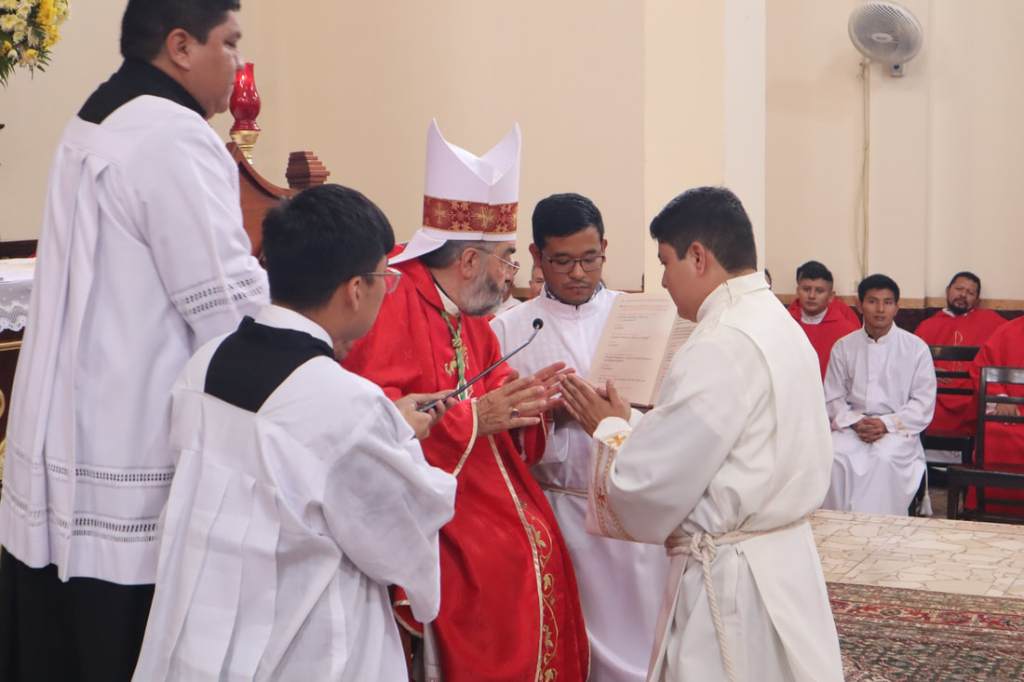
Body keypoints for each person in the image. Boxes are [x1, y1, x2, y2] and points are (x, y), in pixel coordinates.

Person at [0, 2, 268, 680]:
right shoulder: (173, 136)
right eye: (230, 43)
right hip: (131, 449)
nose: (238, 62)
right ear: (181, 46)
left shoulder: (96, 116)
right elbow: (229, 308)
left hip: (69, 445)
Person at [132, 184, 457, 681]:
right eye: (384, 279)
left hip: (198, 632)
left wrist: (386, 428)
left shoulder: (204, 364)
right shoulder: (349, 404)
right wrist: (400, 438)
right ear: (355, 289)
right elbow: (398, 537)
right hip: (304, 645)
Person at [558, 187, 842, 682]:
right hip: (782, 562)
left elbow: (650, 484)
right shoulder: (775, 320)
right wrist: (635, 424)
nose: (663, 280)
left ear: (697, 257)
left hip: (735, 581)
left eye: (665, 263)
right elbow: (720, 449)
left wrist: (609, 429)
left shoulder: (719, 342)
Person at [342, 121, 589, 682]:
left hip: (481, 488)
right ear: (469, 262)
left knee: (538, 544)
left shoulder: (470, 313)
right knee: (501, 565)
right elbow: (370, 416)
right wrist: (475, 417)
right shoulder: (391, 297)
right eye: (506, 259)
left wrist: (535, 405)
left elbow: (496, 396)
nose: (510, 278)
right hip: (430, 502)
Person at [491, 193, 668, 682]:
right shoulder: (507, 330)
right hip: (558, 508)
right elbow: (494, 428)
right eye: (561, 261)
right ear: (536, 255)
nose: (577, 273)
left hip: (628, 503)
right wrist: (545, 411)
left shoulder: (639, 317)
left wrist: (623, 414)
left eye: (590, 259)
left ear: (605, 248)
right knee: (571, 645)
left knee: (643, 641)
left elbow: (672, 408)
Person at [822, 274, 936, 515]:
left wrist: (885, 424)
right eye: (872, 301)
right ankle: (837, 526)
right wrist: (856, 422)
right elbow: (832, 397)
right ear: (859, 304)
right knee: (834, 455)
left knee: (885, 459)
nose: (880, 309)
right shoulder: (844, 346)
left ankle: (881, 529)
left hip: (897, 428)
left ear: (897, 307)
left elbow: (922, 403)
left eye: (888, 302)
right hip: (853, 426)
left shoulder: (916, 348)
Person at [915, 272, 1006, 446]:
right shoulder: (927, 325)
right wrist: (929, 370)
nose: (963, 295)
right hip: (936, 393)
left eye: (970, 293)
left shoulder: (992, 322)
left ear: (977, 300)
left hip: (973, 394)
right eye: (959, 289)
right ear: (947, 290)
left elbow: (1007, 351)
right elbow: (911, 363)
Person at [965, 315, 1024, 515]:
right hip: (1010, 414)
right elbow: (982, 367)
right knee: (992, 433)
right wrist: (999, 398)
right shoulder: (1008, 331)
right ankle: (988, 506)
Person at [787, 260, 860, 379]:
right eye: (806, 289)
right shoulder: (784, 324)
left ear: (831, 296)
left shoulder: (847, 331)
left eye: (819, 291)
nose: (811, 296)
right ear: (798, 291)